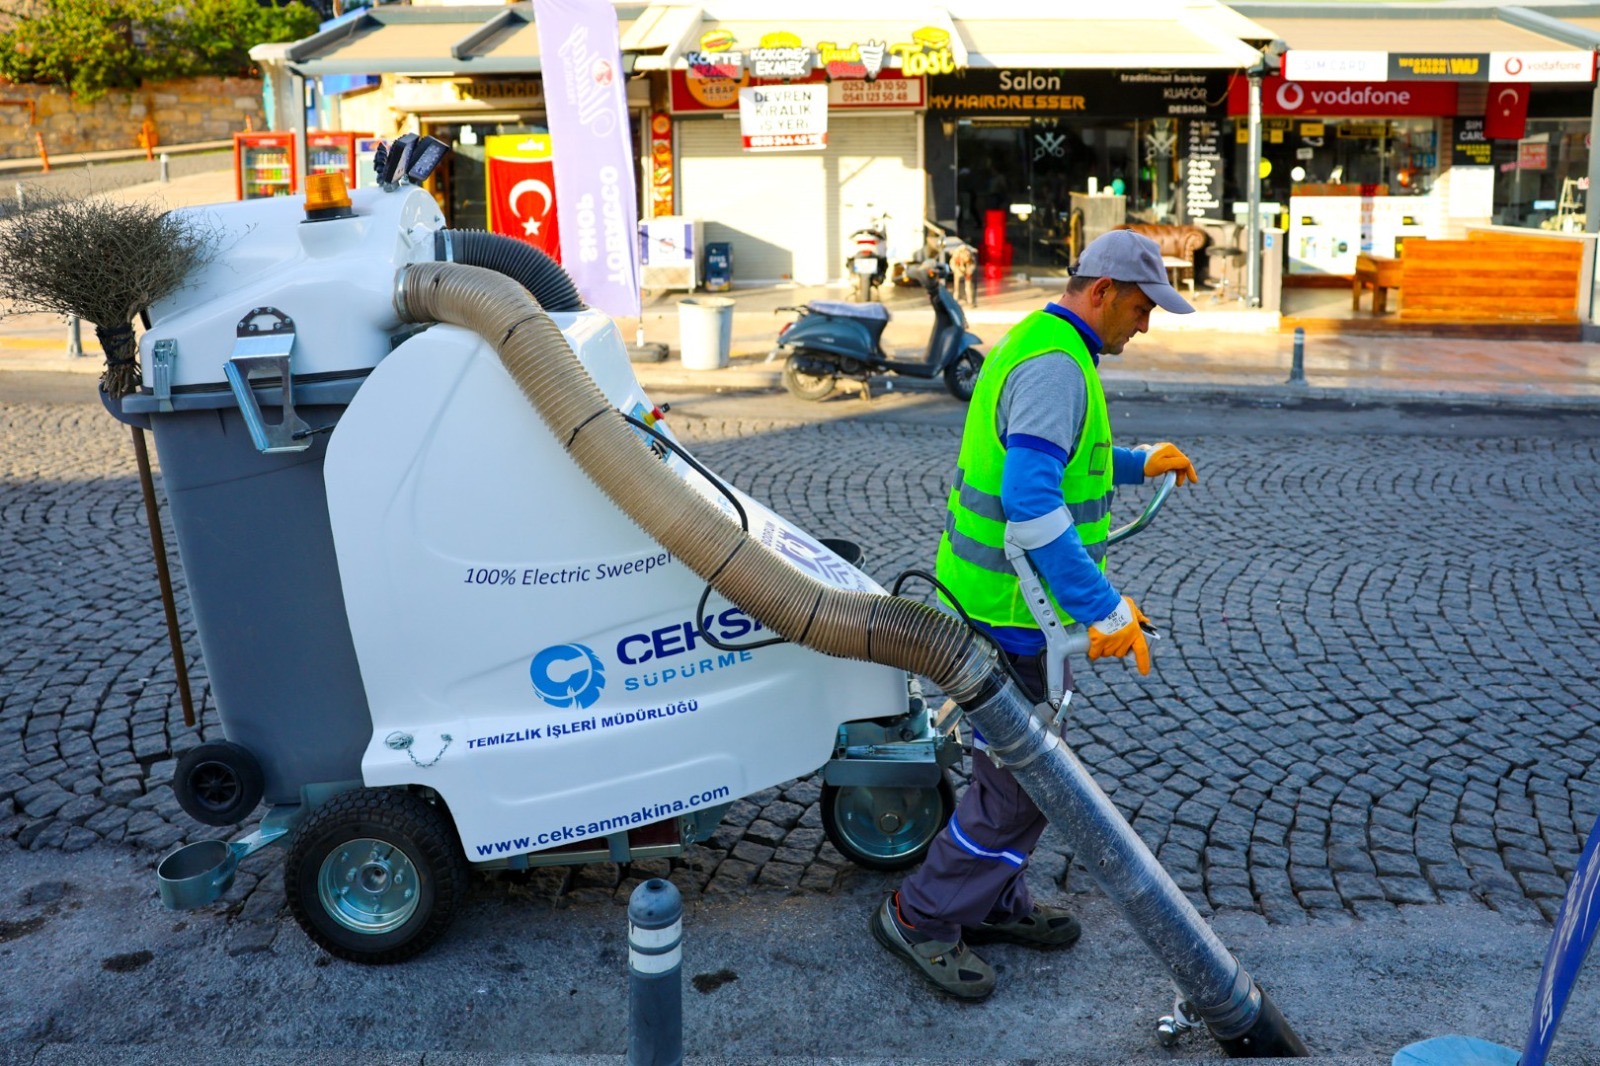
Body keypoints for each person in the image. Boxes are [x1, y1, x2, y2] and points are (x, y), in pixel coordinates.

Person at [871, 229, 1202, 1000]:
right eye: (1141, 306)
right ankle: (920, 915)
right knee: (1022, 788)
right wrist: (1104, 607)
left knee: (1017, 779)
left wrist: (1136, 460)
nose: (1145, 324)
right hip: (1008, 615)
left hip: (998, 607)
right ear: (1102, 291)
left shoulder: (1046, 340)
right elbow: (1029, 500)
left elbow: (1061, 456)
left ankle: (988, 898)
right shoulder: (1058, 364)